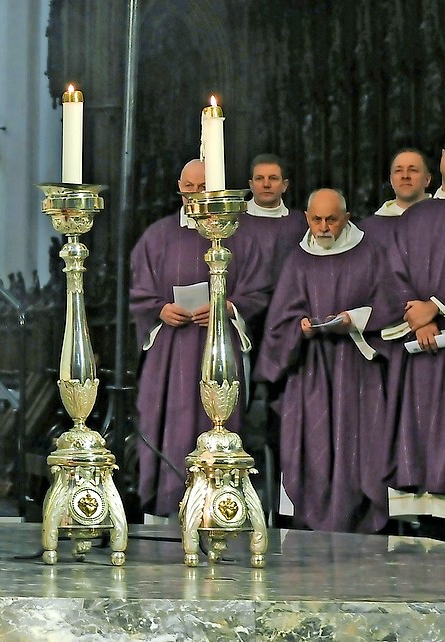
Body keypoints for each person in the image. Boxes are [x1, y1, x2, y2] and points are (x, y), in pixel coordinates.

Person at [129, 159, 271, 519]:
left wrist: (229, 308)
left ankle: (220, 506)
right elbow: (138, 292)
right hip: (170, 352)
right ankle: (163, 505)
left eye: (203, 187)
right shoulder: (157, 236)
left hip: (218, 348)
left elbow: (260, 290)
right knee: (168, 423)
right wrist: (160, 309)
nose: (194, 196)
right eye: (189, 188)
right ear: (179, 187)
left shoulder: (244, 236)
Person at [255, 189, 396, 533]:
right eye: (316, 219)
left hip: (358, 368)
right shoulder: (297, 260)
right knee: (312, 444)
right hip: (309, 372)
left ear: (346, 217)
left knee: (359, 446)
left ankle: (361, 524)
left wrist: (355, 319)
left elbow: (392, 304)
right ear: (306, 217)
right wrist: (298, 329)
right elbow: (277, 323)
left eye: (331, 219)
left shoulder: (371, 253)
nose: (323, 227)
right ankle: (313, 522)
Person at [382, 132, 445, 519]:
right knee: (414, 426)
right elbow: (392, 268)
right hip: (416, 342)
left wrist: (434, 307)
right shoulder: (413, 215)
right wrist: (416, 316)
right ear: (440, 157)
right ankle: (416, 518)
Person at [239, 153, 307, 283]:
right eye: (259, 178)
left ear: (284, 185)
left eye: (273, 178)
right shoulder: (234, 221)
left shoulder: (300, 223)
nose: (266, 184)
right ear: (251, 185)